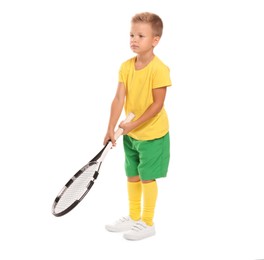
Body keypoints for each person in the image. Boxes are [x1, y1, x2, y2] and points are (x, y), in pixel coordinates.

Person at [104, 12, 172, 241]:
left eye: (141, 35)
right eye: (131, 34)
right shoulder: (125, 67)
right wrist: (110, 128)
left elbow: (157, 104)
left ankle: (147, 222)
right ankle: (133, 217)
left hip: (153, 135)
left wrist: (132, 124)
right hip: (131, 135)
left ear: (155, 40)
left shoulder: (159, 69)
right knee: (131, 175)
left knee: (146, 177)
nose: (134, 39)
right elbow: (118, 99)